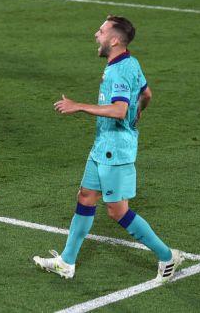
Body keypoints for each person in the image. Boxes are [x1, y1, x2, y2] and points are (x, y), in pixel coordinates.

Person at [33, 16, 183, 282]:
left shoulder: (119, 71)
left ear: (114, 40)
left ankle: (166, 256)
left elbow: (119, 109)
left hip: (115, 151)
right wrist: (138, 114)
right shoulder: (129, 61)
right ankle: (66, 262)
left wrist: (78, 106)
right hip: (103, 146)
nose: (96, 34)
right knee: (86, 196)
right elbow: (146, 94)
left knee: (117, 211)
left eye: (101, 31)